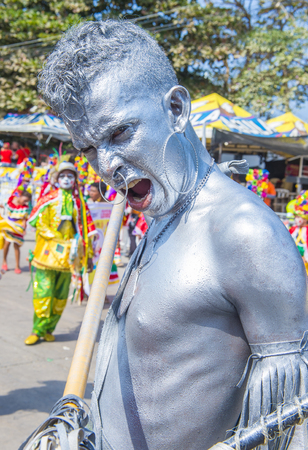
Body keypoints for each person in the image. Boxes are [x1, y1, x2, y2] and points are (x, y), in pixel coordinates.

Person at [38, 20, 308, 450]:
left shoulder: (243, 232)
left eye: (120, 133)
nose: (106, 167)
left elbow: (291, 427)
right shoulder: (163, 207)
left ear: (176, 109)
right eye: (88, 149)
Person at [24, 162, 96, 345]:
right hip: (47, 255)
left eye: (70, 176)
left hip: (69, 257)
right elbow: (37, 222)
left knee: (60, 296)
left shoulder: (79, 202)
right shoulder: (48, 198)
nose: (66, 179)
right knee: (43, 293)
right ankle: (37, 330)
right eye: (63, 176)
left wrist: (87, 254)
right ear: (56, 179)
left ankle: (49, 328)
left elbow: (86, 230)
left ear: (75, 180)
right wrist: (55, 237)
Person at [0, 188, 31, 273]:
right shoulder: (10, 203)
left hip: (18, 228)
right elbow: (3, 205)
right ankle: (4, 261)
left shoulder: (25, 208)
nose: (25, 203)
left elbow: (24, 219)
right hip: (9, 225)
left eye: (27, 201)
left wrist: (24, 229)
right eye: (25, 200)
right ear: (20, 197)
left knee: (16, 246)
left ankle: (17, 266)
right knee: (7, 243)